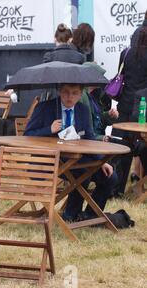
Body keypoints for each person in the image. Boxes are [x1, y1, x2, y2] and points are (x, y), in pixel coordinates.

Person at [25, 84, 118, 222]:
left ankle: (90, 216)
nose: (70, 97)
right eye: (66, 92)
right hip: (51, 159)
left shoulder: (83, 110)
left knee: (110, 177)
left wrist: (101, 161)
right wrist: (48, 130)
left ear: (81, 94)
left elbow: (89, 138)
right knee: (82, 174)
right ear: (59, 92)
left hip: (78, 159)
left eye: (74, 93)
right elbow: (28, 135)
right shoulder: (44, 107)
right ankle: (70, 215)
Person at [112, 27, 147, 196]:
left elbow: (122, 75)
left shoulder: (126, 53)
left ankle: (116, 188)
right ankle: (143, 185)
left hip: (125, 105)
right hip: (143, 107)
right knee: (143, 145)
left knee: (122, 147)